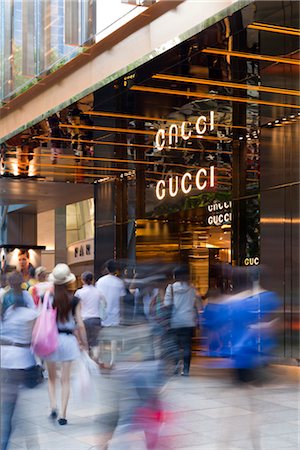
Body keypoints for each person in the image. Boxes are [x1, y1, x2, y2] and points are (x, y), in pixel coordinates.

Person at [43, 263, 88, 425]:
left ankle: (53, 406)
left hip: (50, 340)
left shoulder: (47, 298)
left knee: (52, 378)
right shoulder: (75, 300)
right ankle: (63, 415)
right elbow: (80, 325)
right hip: (68, 341)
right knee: (66, 380)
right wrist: (84, 343)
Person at [0, 271, 38, 450]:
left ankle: (12, 438)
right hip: (20, 360)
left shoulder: (6, 309)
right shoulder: (28, 313)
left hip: (4, 356)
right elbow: (35, 336)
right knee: (12, 404)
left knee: (11, 401)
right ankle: (7, 440)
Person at [164, 265, 199, 376]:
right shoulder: (192, 288)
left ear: (175, 276)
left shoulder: (170, 288)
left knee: (175, 345)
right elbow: (196, 305)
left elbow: (167, 304)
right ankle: (186, 370)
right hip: (188, 321)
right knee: (187, 345)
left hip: (175, 321)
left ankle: (176, 367)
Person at [95, 260, 126, 367]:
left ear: (107, 269)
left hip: (102, 313)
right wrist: (122, 314)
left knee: (101, 337)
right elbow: (121, 300)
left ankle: (100, 358)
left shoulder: (100, 281)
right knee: (114, 338)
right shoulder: (119, 283)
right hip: (115, 313)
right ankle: (113, 359)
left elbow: (98, 298)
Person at [74, 271, 106, 351]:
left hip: (84, 320)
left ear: (82, 280)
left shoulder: (79, 293)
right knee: (95, 343)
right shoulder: (98, 291)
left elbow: (75, 306)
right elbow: (104, 303)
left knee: (85, 343)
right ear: (92, 280)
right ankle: (95, 359)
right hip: (96, 319)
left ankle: (89, 361)